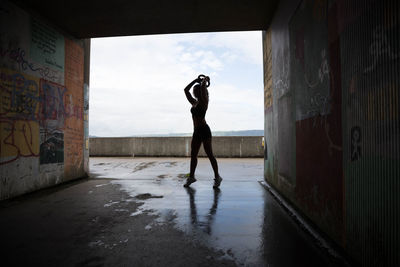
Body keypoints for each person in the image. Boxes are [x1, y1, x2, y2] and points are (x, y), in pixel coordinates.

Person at [183, 75, 222, 188]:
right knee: (193, 154)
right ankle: (191, 177)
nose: (194, 91)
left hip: (204, 130)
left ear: (200, 91)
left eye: (196, 90)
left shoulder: (204, 101)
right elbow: (185, 90)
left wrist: (204, 81)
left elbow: (204, 87)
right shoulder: (194, 102)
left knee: (209, 154)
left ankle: (217, 177)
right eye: (194, 90)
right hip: (196, 131)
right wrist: (195, 80)